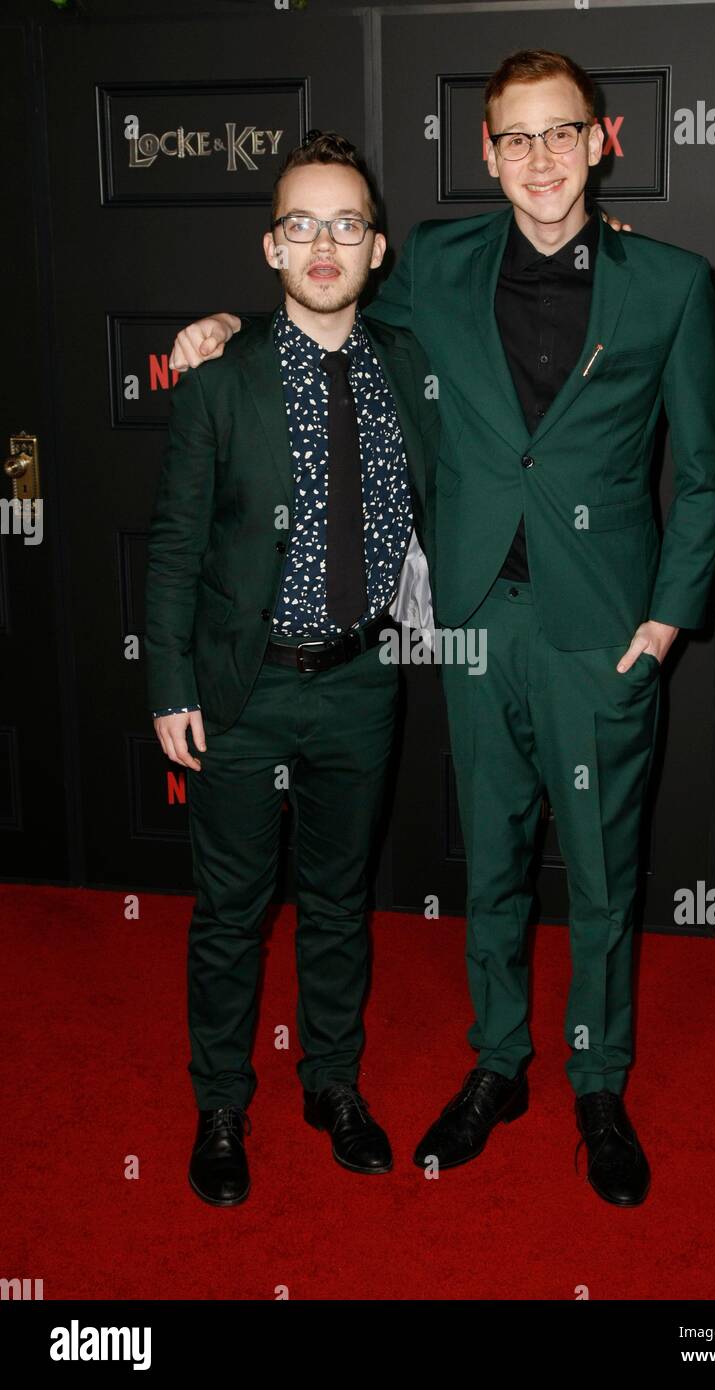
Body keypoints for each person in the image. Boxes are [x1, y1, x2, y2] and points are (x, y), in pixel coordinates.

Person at [169, 48, 715, 1207]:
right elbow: (322, 301)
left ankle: (598, 1084)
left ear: (600, 140)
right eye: (514, 139)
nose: (538, 159)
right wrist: (212, 328)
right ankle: (497, 1064)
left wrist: (668, 622)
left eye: (559, 133)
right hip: (473, 625)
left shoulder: (673, 286)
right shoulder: (434, 261)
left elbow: (706, 477)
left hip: (601, 631)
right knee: (491, 866)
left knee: (603, 874)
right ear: (485, 154)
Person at [145, 130, 439, 1205]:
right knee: (229, 910)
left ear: (378, 245)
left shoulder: (410, 362)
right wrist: (170, 683)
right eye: (301, 224)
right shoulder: (221, 376)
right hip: (243, 687)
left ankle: (332, 1086)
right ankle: (222, 1100)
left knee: (337, 901)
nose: (324, 243)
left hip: (362, 681)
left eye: (346, 223)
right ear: (272, 246)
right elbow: (175, 541)